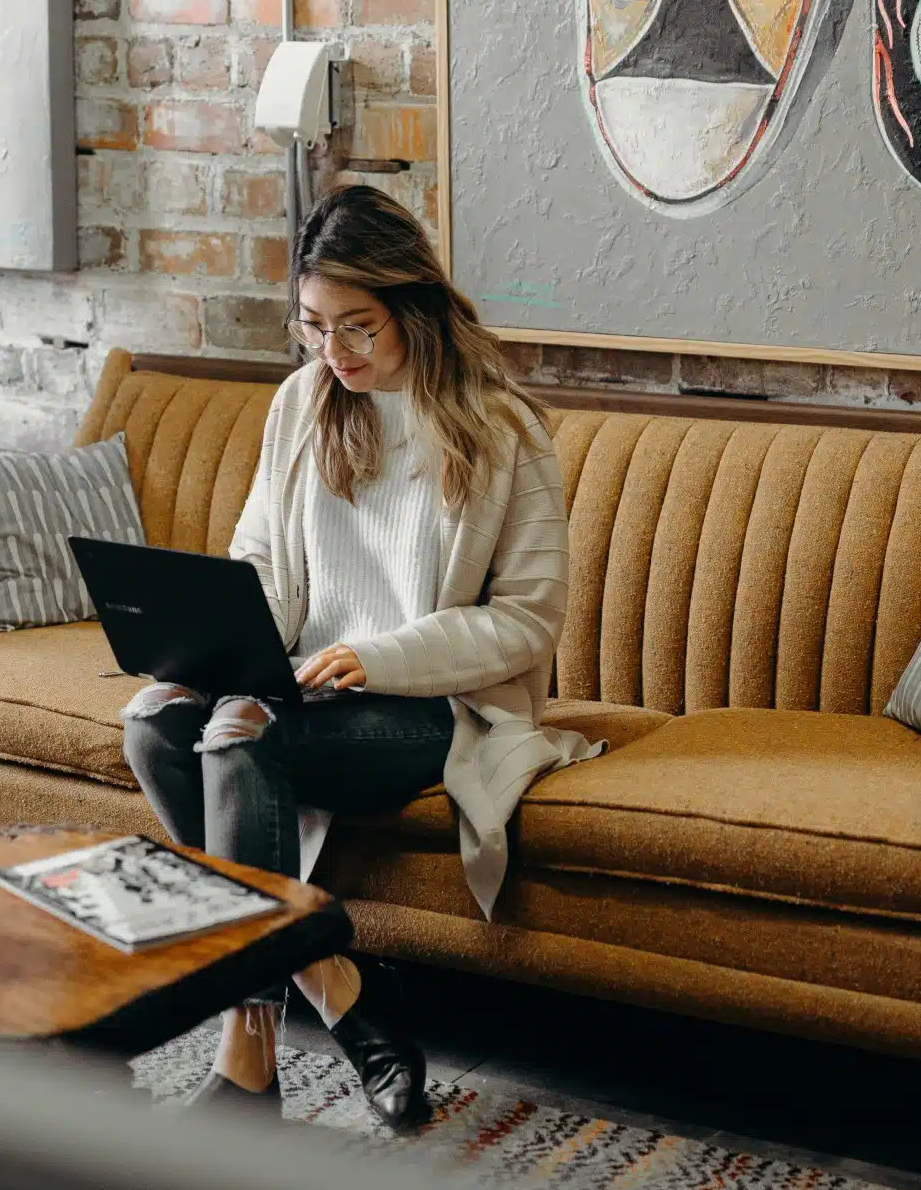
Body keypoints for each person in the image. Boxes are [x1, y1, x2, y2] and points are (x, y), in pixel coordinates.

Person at [119, 184, 598, 1129]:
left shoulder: (503, 430)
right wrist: (215, 642)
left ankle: (247, 1059)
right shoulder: (304, 403)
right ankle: (339, 986)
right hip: (301, 678)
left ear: (412, 305)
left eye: (358, 328)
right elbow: (258, 555)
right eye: (313, 327)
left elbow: (528, 621)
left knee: (241, 734)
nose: (334, 355)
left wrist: (376, 656)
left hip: (429, 703)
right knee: (157, 721)